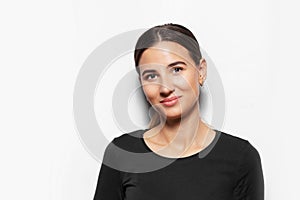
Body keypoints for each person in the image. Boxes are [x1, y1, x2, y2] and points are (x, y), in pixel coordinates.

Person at [93, 23, 264, 200]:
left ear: (201, 71)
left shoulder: (240, 158)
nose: (165, 87)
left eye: (177, 69)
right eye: (151, 75)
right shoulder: (121, 154)